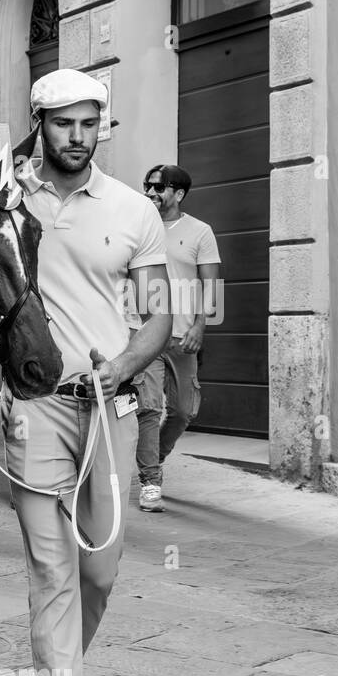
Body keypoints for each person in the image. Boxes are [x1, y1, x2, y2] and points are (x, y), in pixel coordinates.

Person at [11, 69, 171, 676]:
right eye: (63, 124)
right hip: (36, 406)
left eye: (89, 124)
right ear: (38, 123)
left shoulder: (134, 209)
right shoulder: (8, 200)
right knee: (53, 571)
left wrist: (127, 364)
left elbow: (159, 316)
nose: (77, 137)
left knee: (99, 572)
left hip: (108, 405)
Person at [134, 163, 220, 513]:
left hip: (183, 335)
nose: (151, 192)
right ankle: (150, 480)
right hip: (145, 332)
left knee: (184, 410)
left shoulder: (200, 232)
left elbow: (211, 284)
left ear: (179, 194)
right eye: (148, 186)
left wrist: (201, 325)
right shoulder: (139, 227)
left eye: (159, 187)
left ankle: (154, 458)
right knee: (149, 407)